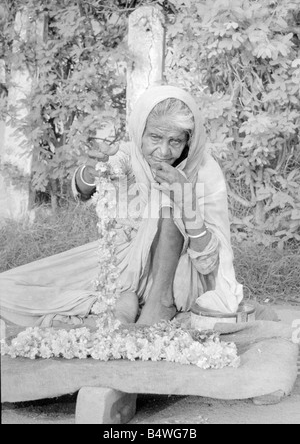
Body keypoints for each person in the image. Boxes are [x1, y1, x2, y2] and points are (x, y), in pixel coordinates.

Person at [0, 85, 243, 329]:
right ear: (140, 133)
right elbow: (90, 183)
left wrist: (186, 199)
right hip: (122, 267)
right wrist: (94, 172)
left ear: (189, 141)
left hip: (179, 276)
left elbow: (208, 263)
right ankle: (124, 299)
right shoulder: (130, 155)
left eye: (175, 141)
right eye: (155, 138)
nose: (164, 151)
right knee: (7, 289)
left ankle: (159, 302)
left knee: (168, 201)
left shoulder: (204, 171)